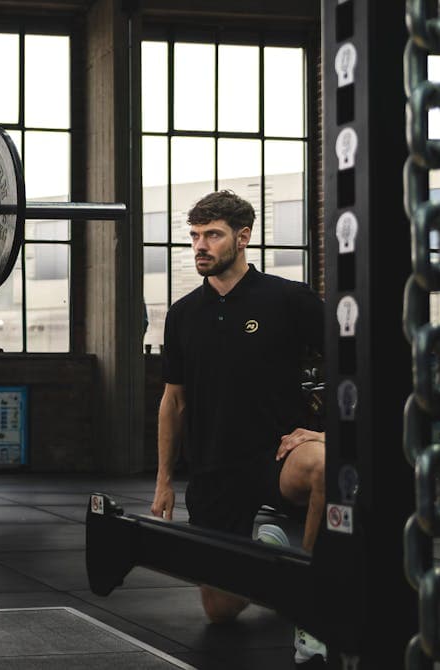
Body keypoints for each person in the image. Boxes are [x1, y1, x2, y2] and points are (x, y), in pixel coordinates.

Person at [149, 190, 327, 665]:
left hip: (277, 454)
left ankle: (313, 605)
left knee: (324, 466)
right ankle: (267, 554)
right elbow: (173, 401)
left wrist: (327, 434)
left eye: (212, 235)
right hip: (214, 468)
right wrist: (164, 480)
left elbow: (358, 359)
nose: (199, 246)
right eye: (194, 236)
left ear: (243, 237)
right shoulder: (183, 314)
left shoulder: (288, 299)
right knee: (221, 611)